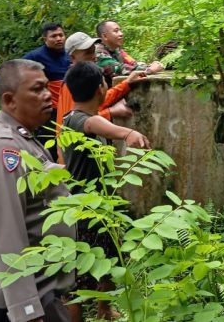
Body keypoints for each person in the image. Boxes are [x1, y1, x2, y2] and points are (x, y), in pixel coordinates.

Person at [0, 59, 75, 322]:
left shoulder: (23, 138)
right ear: (10, 100)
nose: (47, 95)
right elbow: (6, 235)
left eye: (47, 87)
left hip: (40, 293)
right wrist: (26, 311)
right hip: (8, 306)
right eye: (37, 89)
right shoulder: (2, 149)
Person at [61, 61, 149, 321]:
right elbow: (94, 124)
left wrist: (128, 81)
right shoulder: (76, 120)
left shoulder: (86, 115)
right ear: (101, 88)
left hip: (102, 204)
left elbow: (98, 119)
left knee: (111, 259)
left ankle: (105, 309)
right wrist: (128, 133)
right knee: (79, 277)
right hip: (84, 209)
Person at [54, 31, 148, 162]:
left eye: (94, 51)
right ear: (72, 57)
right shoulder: (72, 84)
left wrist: (127, 83)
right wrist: (110, 113)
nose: (94, 56)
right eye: (88, 53)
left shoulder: (85, 78)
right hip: (72, 155)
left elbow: (99, 98)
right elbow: (78, 122)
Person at [24, 22, 71, 159]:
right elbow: (17, 73)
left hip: (70, 108)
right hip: (50, 111)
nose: (59, 38)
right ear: (45, 39)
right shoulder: (34, 57)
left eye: (61, 35)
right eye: (54, 36)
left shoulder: (70, 53)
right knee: (50, 146)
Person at [94, 20, 163, 85]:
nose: (121, 34)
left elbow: (133, 64)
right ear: (105, 36)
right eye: (116, 31)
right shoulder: (97, 51)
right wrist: (149, 70)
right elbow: (118, 69)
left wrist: (150, 66)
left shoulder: (117, 50)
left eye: (120, 30)